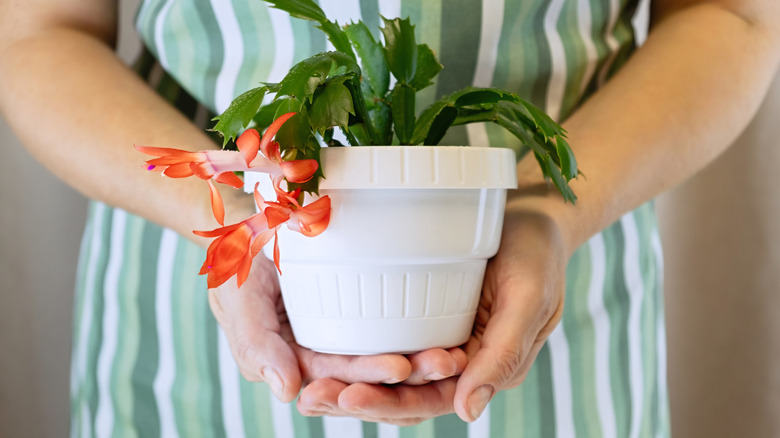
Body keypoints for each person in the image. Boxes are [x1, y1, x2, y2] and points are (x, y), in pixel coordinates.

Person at [1, 0, 778, 436]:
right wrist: (232, 210)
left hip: (563, 309)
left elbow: (735, 15)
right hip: (193, 334)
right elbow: (36, 32)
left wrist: (549, 207)